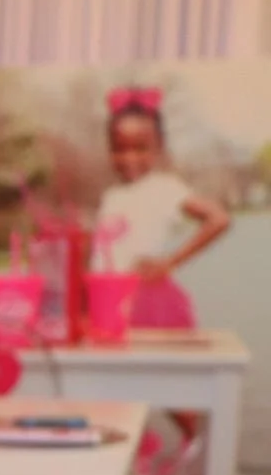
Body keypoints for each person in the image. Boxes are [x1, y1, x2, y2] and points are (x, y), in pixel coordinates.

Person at [96, 86, 229, 328]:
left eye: (140, 148)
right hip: (113, 302)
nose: (129, 158)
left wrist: (169, 262)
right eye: (119, 149)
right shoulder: (111, 196)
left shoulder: (163, 188)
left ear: (158, 147)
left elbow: (218, 219)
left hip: (147, 301)